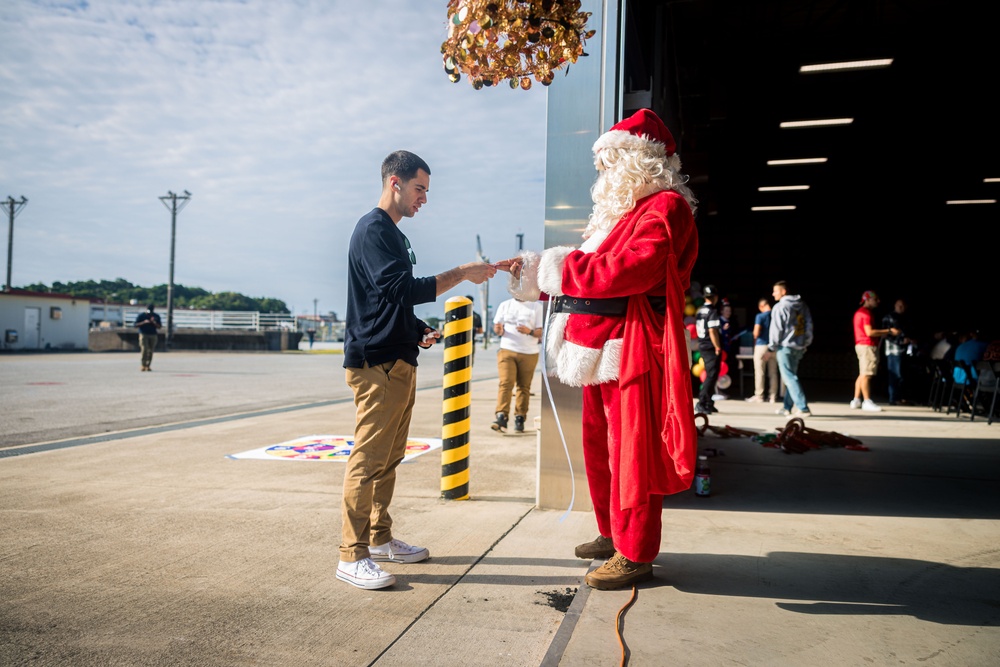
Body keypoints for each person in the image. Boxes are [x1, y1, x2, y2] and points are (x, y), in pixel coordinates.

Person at [497, 108, 699, 590]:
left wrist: (550, 266)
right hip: (599, 351)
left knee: (632, 455)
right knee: (600, 451)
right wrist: (529, 274)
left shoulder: (666, 208)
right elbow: (583, 272)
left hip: (630, 349)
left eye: (610, 162)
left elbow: (627, 272)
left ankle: (635, 552)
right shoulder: (623, 215)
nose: (603, 173)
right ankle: (613, 533)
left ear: (639, 160)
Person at [338, 150, 496, 590]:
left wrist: (417, 329)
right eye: (419, 188)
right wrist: (463, 272)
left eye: (426, 190)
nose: (423, 198)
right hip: (377, 363)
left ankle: (381, 538)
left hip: (399, 356)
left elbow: (389, 301)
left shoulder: (394, 234)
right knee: (368, 459)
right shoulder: (373, 229)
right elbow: (403, 287)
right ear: (395, 182)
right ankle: (352, 554)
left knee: (389, 458)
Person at [490, 296, 544, 433]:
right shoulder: (504, 305)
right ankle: (501, 416)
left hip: (529, 352)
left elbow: (541, 331)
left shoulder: (536, 306)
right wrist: (498, 329)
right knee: (506, 383)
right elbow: (497, 329)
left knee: (523, 386)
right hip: (507, 349)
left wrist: (529, 331)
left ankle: (520, 417)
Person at [763, 281, 814, 416]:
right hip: (799, 346)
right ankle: (787, 407)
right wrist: (806, 343)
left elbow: (776, 329)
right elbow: (809, 326)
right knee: (791, 377)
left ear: (783, 291)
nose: (773, 294)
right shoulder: (802, 306)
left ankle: (803, 407)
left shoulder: (780, 307)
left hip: (785, 346)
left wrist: (771, 347)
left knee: (790, 378)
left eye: (775, 291)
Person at [850, 290, 898, 412]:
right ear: (867, 300)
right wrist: (888, 331)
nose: (878, 301)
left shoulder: (859, 313)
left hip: (861, 345)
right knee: (867, 374)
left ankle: (856, 399)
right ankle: (867, 401)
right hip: (867, 346)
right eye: (875, 299)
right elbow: (869, 332)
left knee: (862, 373)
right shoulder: (866, 313)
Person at [694, 285, 723, 414]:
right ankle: (702, 402)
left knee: (712, 374)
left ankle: (708, 402)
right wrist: (717, 346)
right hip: (710, 346)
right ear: (715, 297)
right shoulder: (712, 311)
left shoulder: (700, 310)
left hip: (702, 344)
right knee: (711, 375)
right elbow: (712, 330)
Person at [746, 297, 779, 403]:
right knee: (773, 372)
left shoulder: (760, 316)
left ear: (761, 306)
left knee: (760, 372)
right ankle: (773, 395)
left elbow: (756, 332)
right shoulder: (775, 315)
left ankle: (759, 395)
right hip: (773, 346)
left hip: (762, 345)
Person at [882, 299, 912, 405]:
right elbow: (885, 334)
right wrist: (899, 340)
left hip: (905, 350)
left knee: (903, 375)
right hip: (893, 349)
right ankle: (894, 398)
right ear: (895, 305)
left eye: (903, 305)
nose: (901, 307)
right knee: (895, 374)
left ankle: (900, 397)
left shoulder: (906, 318)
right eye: (899, 305)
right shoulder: (889, 317)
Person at [134, 304, 162, 372]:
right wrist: (144, 322)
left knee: (151, 351)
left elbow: (159, 326)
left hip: (153, 334)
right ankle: (143, 365)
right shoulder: (142, 315)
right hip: (143, 334)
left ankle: (148, 365)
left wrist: (154, 322)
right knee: (144, 349)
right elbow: (135, 325)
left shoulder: (156, 316)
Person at [465, 294, 483, 365]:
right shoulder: (476, 316)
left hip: (458, 342)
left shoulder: (459, 314)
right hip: (471, 342)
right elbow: (480, 331)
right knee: (469, 361)